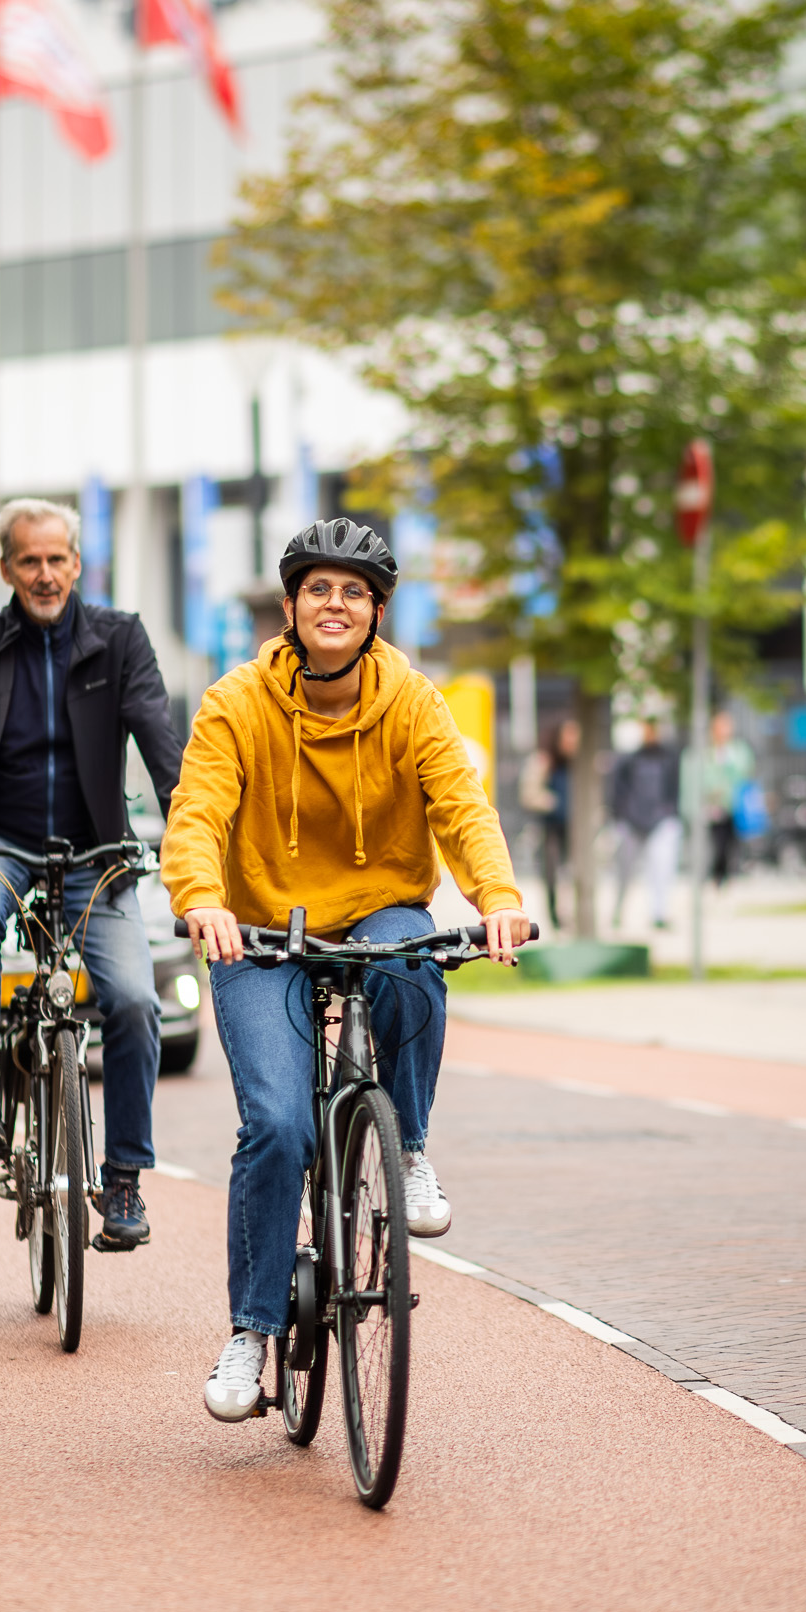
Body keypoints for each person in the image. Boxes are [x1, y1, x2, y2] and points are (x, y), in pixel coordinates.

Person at [160, 516, 532, 1423]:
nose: (336, 604)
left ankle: (403, 1148)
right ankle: (250, 1332)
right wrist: (201, 898)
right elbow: (197, 813)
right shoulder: (235, 702)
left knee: (413, 966)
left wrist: (497, 896)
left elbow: (461, 805)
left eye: (354, 592)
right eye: (318, 588)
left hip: (376, 912)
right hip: (258, 930)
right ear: (290, 607)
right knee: (279, 1126)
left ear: (375, 614)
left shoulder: (411, 700)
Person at [0, 497, 182, 1250]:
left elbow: (159, 737)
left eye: (58, 559)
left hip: (95, 850)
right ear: (7, 569)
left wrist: (191, 828)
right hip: (2, 839)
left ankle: (121, 1178)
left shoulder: (121, 641)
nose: (46, 574)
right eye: (30, 560)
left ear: (78, 564)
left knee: (132, 1003)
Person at [610, 718, 681, 931]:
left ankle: (658, 912)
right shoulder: (630, 759)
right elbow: (618, 791)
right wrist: (622, 817)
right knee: (624, 871)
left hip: (659, 821)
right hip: (632, 822)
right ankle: (618, 911)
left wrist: (669, 815)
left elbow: (673, 791)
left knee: (661, 869)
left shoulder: (669, 758)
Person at [682, 710, 756, 886]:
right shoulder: (706, 752)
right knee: (717, 842)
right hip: (714, 806)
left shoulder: (737, 750)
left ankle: (728, 876)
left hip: (735, 805)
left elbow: (745, 771)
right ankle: (717, 878)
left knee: (732, 842)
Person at [519, 718, 580, 930]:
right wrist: (554, 803)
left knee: (572, 874)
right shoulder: (544, 762)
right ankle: (556, 918)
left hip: (574, 828)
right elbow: (529, 793)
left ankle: (572, 916)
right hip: (551, 827)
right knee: (552, 874)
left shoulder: (578, 764)